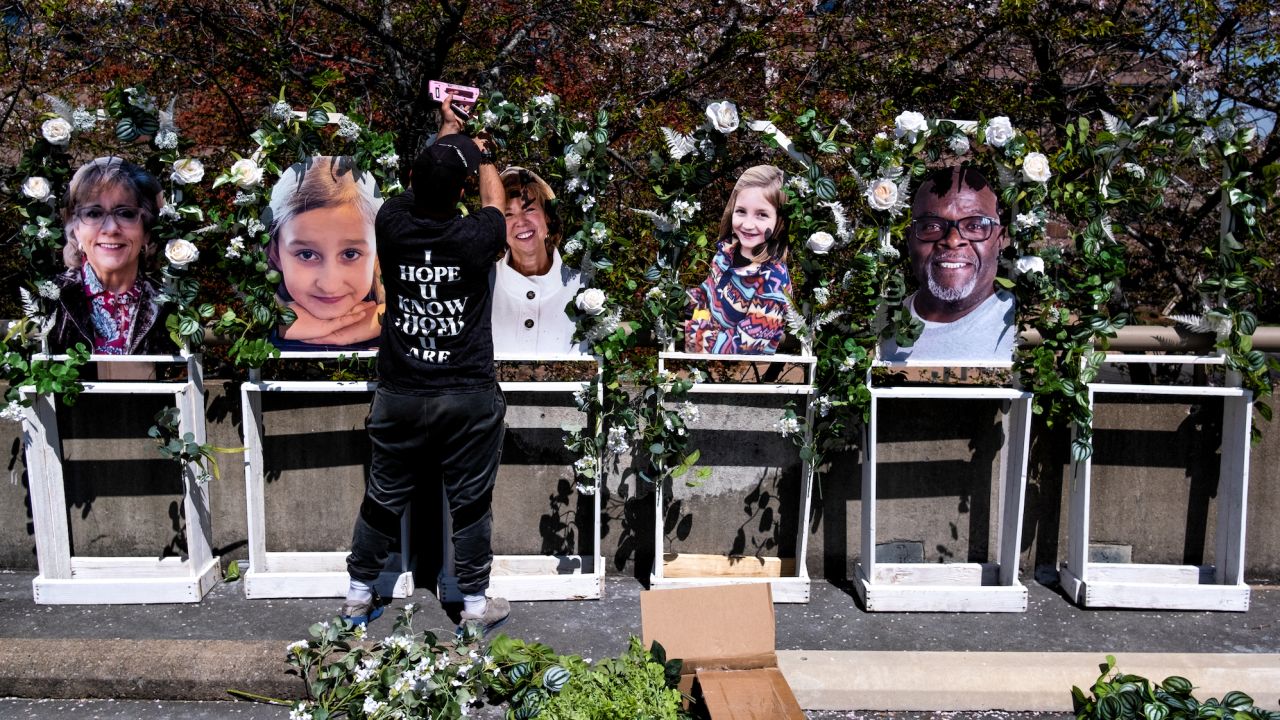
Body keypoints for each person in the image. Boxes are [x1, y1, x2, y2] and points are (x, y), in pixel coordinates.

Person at [341, 97, 510, 633]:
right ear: (460, 191)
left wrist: (448, 132)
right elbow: (496, 207)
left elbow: (429, 180)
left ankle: (357, 593)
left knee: (385, 494)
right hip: (466, 394)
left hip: (402, 393)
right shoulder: (475, 235)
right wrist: (481, 157)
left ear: (413, 178)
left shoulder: (390, 223)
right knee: (471, 502)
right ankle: (476, 605)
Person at [879, 165, 1016, 363]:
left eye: (975, 226)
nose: (952, 241)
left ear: (1000, 239)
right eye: (932, 226)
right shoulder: (880, 328)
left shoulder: (1025, 325)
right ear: (910, 240)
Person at [49, 156, 175, 356]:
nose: (111, 229)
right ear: (76, 230)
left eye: (125, 213)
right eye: (93, 213)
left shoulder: (170, 304)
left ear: (146, 232)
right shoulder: (49, 299)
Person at [267, 155, 383, 350]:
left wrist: (384, 321)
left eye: (350, 254)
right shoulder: (252, 328)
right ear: (275, 254)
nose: (330, 285)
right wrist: (278, 324)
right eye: (306, 254)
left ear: (378, 253)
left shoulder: (410, 321)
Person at [685, 164, 793, 354]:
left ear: (779, 221)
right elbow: (708, 292)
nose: (747, 224)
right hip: (703, 363)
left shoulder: (773, 282)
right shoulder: (726, 252)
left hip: (739, 379)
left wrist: (691, 333)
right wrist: (683, 303)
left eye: (762, 215)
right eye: (741, 211)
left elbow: (745, 346)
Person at [491, 166, 585, 355]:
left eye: (529, 209)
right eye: (508, 214)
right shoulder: (483, 284)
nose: (521, 221)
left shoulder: (582, 286)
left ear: (547, 217)